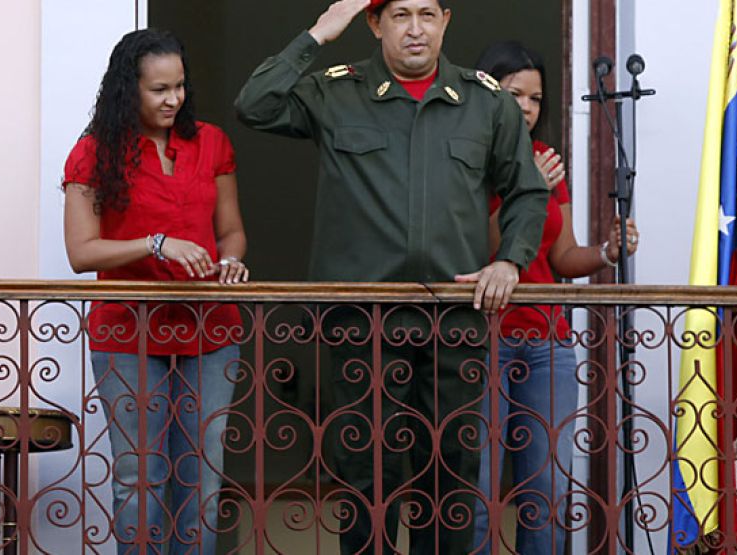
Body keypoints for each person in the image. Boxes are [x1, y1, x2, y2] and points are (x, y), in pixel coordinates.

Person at [235, 1, 549, 553]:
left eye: (427, 14)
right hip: (362, 322)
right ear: (376, 24)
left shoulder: (486, 103)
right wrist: (318, 34)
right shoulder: (337, 91)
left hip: (455, 320)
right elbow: (255, 104)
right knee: (366, 478)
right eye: (400, 15)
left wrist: (510, 260)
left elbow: (526, 190)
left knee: (450, 475)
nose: (415, 29)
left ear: (446, 21)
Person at [62, 29, 248, 555]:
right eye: (159, 90)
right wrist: (155, 244)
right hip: (127, 329)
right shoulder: (94, 152)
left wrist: (231, 260)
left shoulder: (211, 142)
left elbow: (230, 228)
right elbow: (82, 252)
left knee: (202, 480)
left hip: (211, 327)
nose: (174, 100)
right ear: (129, 90)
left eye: (180, 87)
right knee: (139, 480)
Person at [470, 41, 639, 554]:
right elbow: (484, 247)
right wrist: (530, 191)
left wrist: (607, 252)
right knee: (474, 495)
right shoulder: (467, 157)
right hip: (484, 339)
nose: (525, 106)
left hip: (548, 342)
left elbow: (561, 256)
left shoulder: (545, 159)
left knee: (547, 492)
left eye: (535, 98)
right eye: (513, 93)